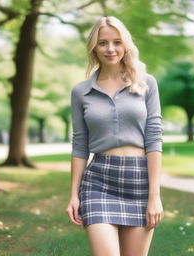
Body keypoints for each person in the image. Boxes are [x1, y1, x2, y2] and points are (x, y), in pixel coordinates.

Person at [66, 16, 164, 256]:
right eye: (103, 43)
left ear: (125, 45)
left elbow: (154, 139)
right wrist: (73, 195)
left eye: (117, 42)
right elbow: (80, 144)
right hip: (98, 182)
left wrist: (155, 196)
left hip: (139, 181)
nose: (110, 49)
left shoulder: (146, 84)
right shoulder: (81, 92)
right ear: (94, 47)